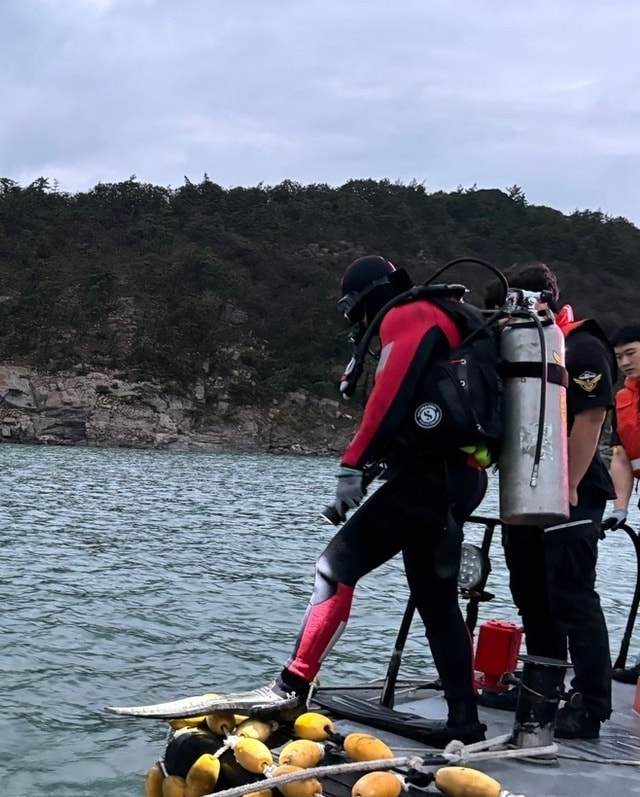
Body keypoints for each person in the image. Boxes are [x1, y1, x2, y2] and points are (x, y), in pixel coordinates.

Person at [249, 255, 488, 743]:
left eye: (351, 311)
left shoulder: (409, 315)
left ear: (363, 301)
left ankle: (292, 683)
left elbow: (389, 396)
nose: (356, 324)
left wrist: (351, 466)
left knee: (333, 569)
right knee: (436, 600)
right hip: (457, 478)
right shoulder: (445, 316)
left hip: (430, 481)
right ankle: (465, 719)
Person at [494, 264, 615, 738]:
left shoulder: (581, 346)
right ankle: (543, 687)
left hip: (575, 490)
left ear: (542, 299)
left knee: (572, 596)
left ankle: (592, 705)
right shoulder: (518, 346)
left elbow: (591, 420)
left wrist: (568, 485)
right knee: (531, 593)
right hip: (525, 485)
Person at [606, 323, 640, 684]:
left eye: (631, 353)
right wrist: (620, 506)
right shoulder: (622, 399)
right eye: (619, 357)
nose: (625, 361)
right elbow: (620, 455)